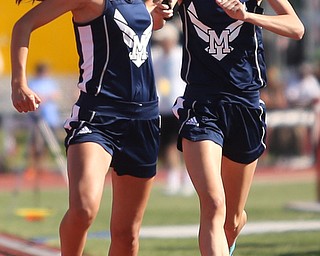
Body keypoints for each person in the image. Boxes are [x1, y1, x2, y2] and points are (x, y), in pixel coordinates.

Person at [10, 0, 173, 255]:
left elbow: (145, 24)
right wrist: (19, 82)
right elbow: (23, 24)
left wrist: (157, 14)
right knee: (84, 208)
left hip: (144, 120)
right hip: (98, 117)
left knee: (127, 234)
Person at [169, 0, 305, 255]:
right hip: (202, 103)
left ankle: (232, 232)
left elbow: (296, 28)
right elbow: (154, 16)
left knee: (230, 221)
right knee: (213, 204)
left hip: (245, 105)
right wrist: (159, 10)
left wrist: (247, 16)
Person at [152, 22, 193, 196]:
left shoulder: (182, 54)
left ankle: (189, 179)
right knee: (168, 143)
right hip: (164, 105)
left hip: (182, 103)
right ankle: (173, 177)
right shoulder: (156, 57)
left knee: (187, 143)